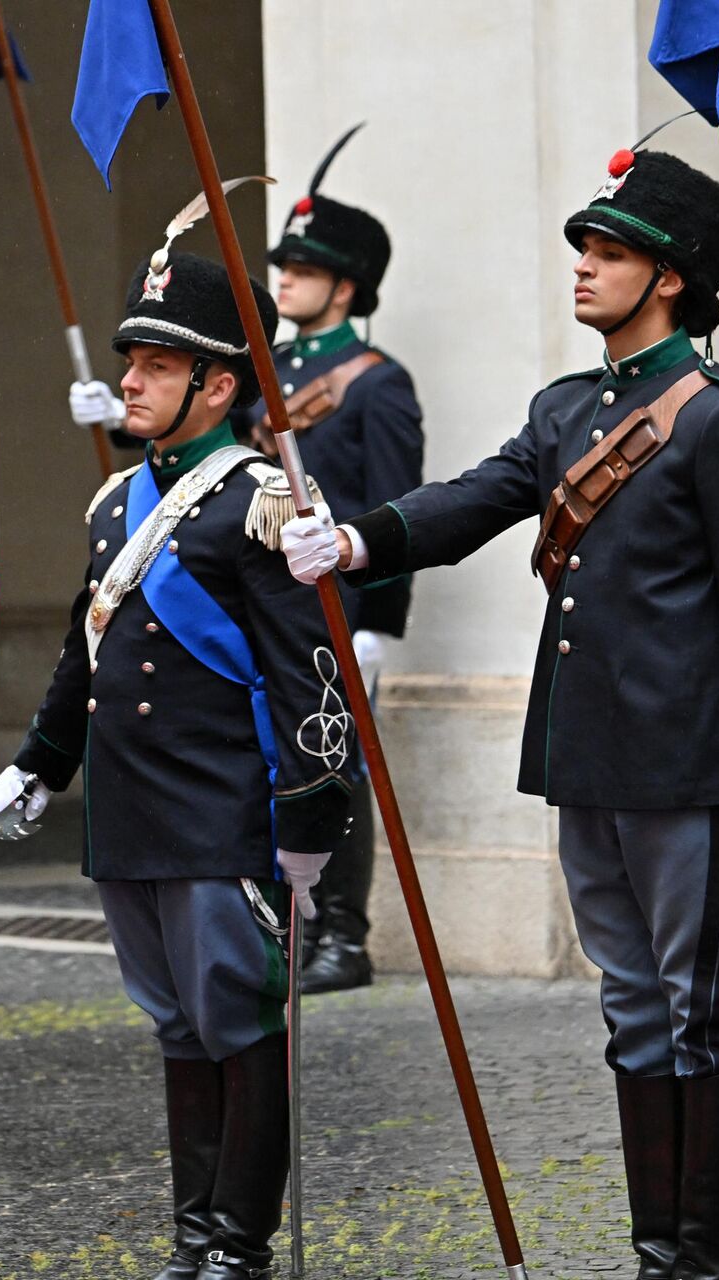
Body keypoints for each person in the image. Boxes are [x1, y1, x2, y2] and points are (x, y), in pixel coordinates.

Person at [282, 146, 719, 1280]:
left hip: (689, 768)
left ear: (671, 278)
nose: (583, 265)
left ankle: (705, 1259)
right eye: (583, 244)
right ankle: (657, 1244)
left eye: (609, 251)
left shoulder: (717, 420)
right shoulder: (566, 407)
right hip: (589, 755)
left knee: (704, 1013)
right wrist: (363, 536)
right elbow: (480, 494)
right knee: (632, 1008)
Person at [0, 224, 353, 1279]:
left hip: (224, 816)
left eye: (156, 364)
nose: (129, 380)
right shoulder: (115, 503)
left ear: (216, 384)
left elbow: (312, 683)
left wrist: (308, 823)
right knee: (177, 1030)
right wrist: (39, 763)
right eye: (130, 359)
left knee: (239, 1025)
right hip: (134, 813)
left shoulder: (262, 506)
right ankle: (194, 1234)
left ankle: (239, 1240)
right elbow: (84, 653)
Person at [240, 126, 423, 993]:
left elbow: (396, 511)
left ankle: (343, 938)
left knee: (332, 764)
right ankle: (288, 929)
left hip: (338, 609)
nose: (284, 280)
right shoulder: (270, 368)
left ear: (345, 285)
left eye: (303, 269)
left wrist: (380, 621)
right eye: (283, 265)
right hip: (265, 601)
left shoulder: (377, 382)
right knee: (275, 763)